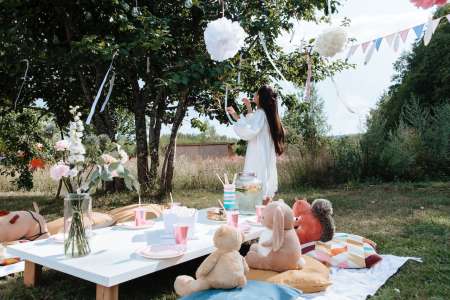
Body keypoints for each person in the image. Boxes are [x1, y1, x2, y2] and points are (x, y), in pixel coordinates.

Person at [226, 85, 284, 203]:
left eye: (256, 93)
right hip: (263, 156)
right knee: (263, 185)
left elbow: (250, 130)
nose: (254, 95)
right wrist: (248, 108)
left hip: (258, 156)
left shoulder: (261, 113)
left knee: (257, 187)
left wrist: (235, 115)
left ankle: (261, 214)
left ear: (260, 97)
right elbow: (253, 124)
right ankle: (266, 213)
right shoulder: (266, 114)